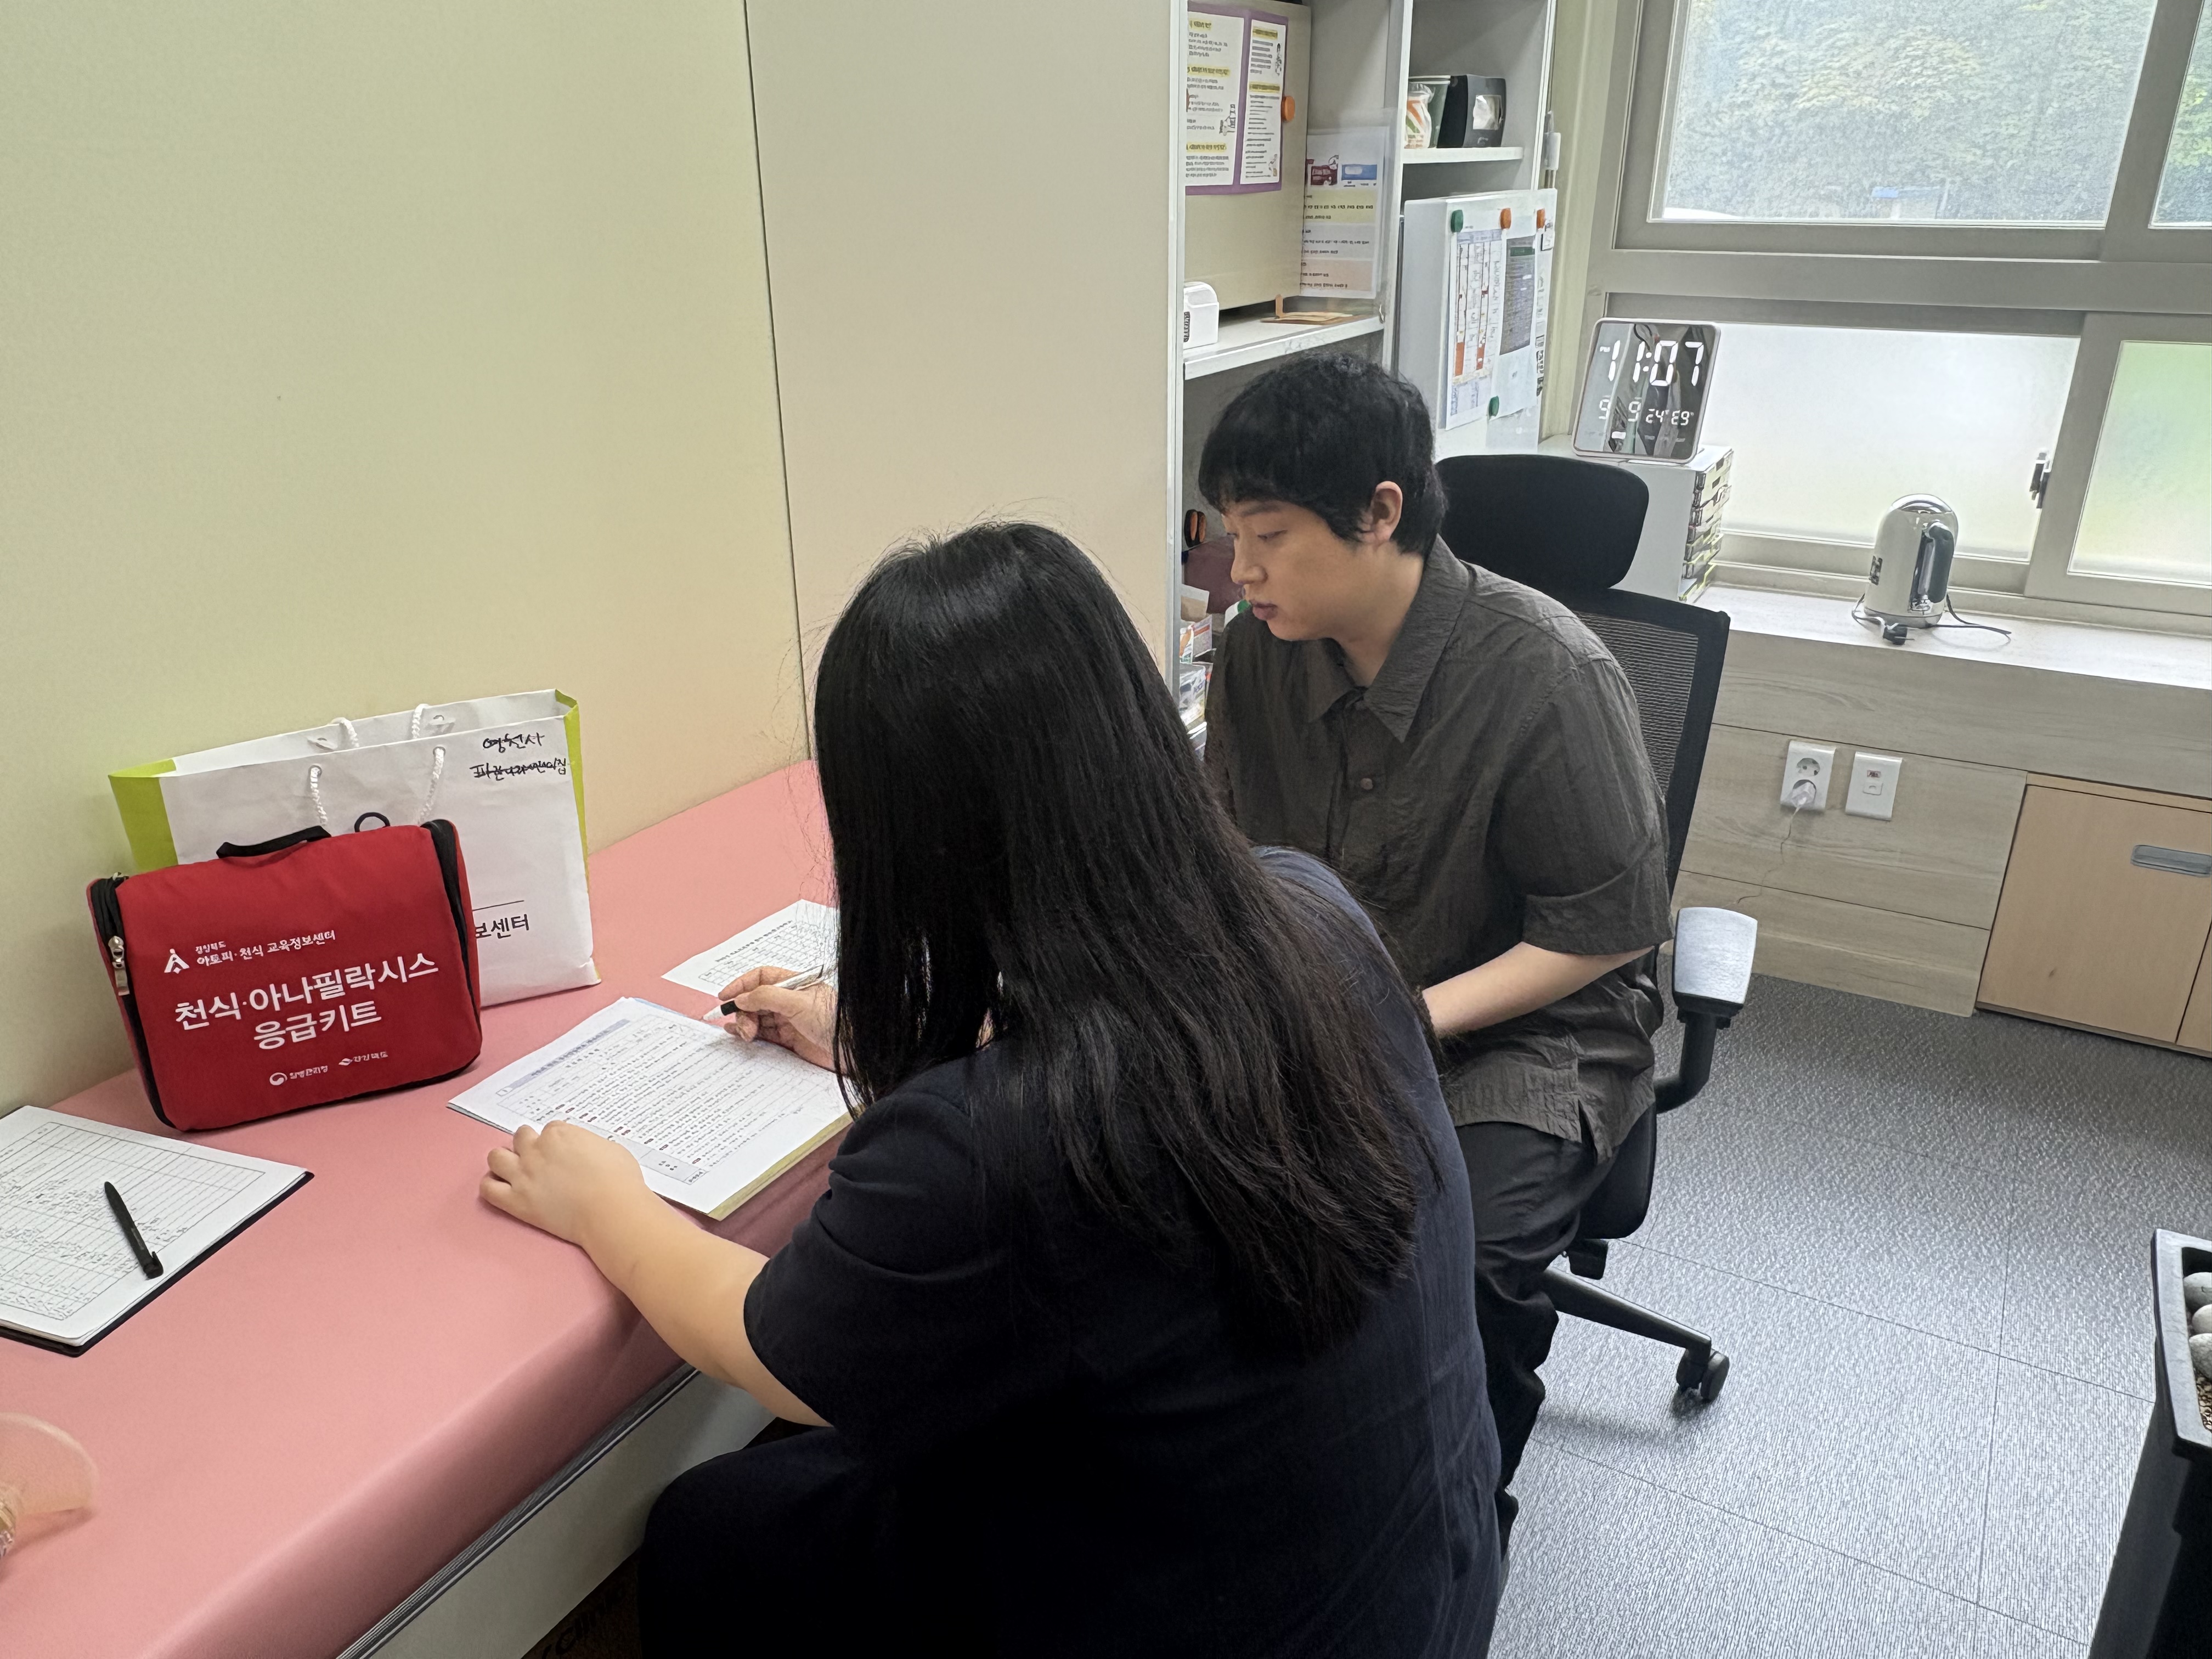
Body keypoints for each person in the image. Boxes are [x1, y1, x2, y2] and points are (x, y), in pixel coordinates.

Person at [479, 522, 1502, 1657]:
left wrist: (605, 1206)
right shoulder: (1305, 909)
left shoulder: (984, 1147)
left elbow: (775, 1351)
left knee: (714, 1527)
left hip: (1226, 1614)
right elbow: (1149, 1028)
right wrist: (874, 1033)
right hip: (1419, 1583)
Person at [1197, 352, 1673, 1550]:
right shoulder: (1261, 646)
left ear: (1381, 513)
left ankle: (1453, 1530)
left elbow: (1605, 929)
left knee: (1456, 1264)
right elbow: (1230, 851)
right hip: (1332, 1007)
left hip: (1532, 1031)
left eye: (1267, 536)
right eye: (1224, 536)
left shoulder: (1550, 674)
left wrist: (1402, 1013)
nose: (1238, 569)